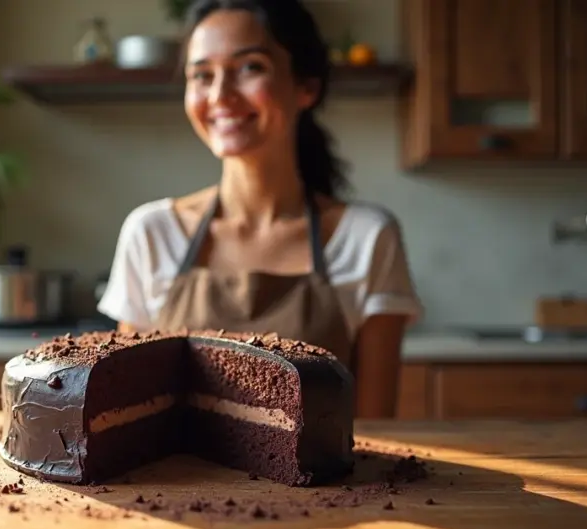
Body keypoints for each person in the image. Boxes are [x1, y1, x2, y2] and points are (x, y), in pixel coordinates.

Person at [96, 0, 423, 418]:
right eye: (201, 75)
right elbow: (133, 414)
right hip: (170, 484)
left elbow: (378, 431)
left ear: (307, 86)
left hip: (326, 486)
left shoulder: (366, 237)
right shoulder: (152, 232)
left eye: (250, 67)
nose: (220, 96)